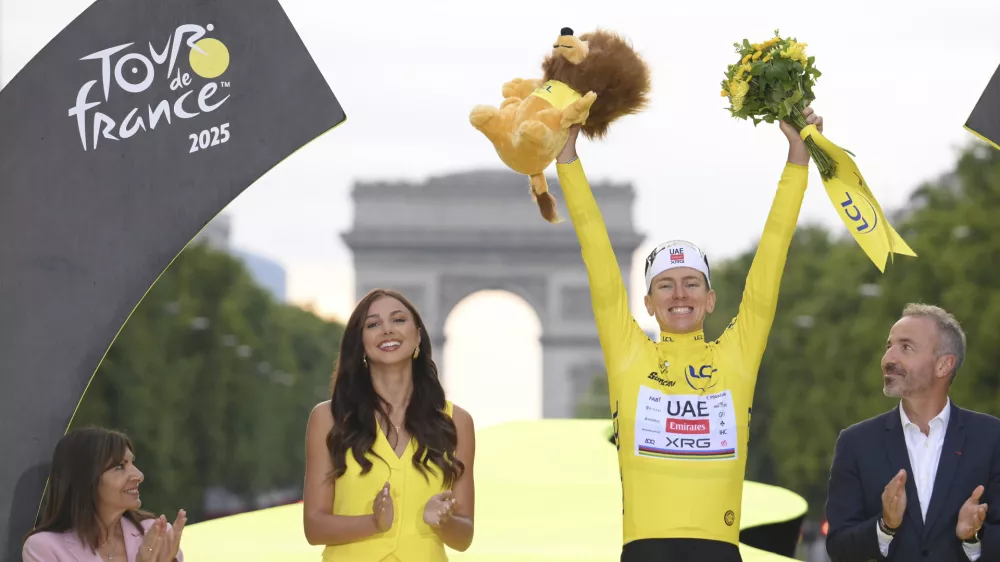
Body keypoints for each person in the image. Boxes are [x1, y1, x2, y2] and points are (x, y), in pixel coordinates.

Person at [554, 107, 822, 561]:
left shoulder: (735, 355)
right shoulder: (629, 353)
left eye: (691, 283)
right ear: (648, 303)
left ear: (710, 299)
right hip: (646, 550)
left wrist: (798, 157)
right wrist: (567, 158)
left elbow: (771, 258)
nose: (679, 294)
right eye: (665, 285)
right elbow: (596, 251)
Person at [302, 288, 476, 561]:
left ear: (418, 335)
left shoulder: (457, 422)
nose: (387, 330)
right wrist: (372, 522)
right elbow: (314, 527)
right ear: (360, 343)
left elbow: (464, 536)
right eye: (373, 324)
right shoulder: (328, 418)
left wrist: (444, 521)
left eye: (398, 320)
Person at [825, 304, 1000, 562]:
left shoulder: (992, 438)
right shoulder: (855, 443)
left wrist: (973, 538)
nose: (888, 359)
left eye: (905, 347)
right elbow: (838, 547)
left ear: (943, 365)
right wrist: (884, 526)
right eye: (889, 346)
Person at [22, 427, 186, 562]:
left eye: (132, 463)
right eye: (120, 466)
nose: (139, 475)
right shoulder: (44, 548)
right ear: (86, 478)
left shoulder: (156, 535)